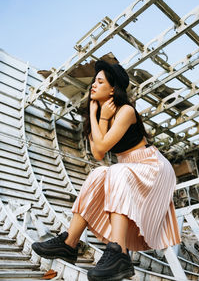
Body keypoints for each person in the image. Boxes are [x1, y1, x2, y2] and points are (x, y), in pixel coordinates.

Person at [32, 60, 181, 281]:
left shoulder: (126, 110)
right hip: (127, 167)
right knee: (98, 173)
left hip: (152, 167)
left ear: (113, 89)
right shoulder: (100, 114)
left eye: (100, 81)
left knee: (115, 172)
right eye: (94, 80)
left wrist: (100, 117)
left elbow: (100, 148)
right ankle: (69, 242)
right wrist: (95, 115)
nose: (93, 84)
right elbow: (99, 154)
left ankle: (119, 252)